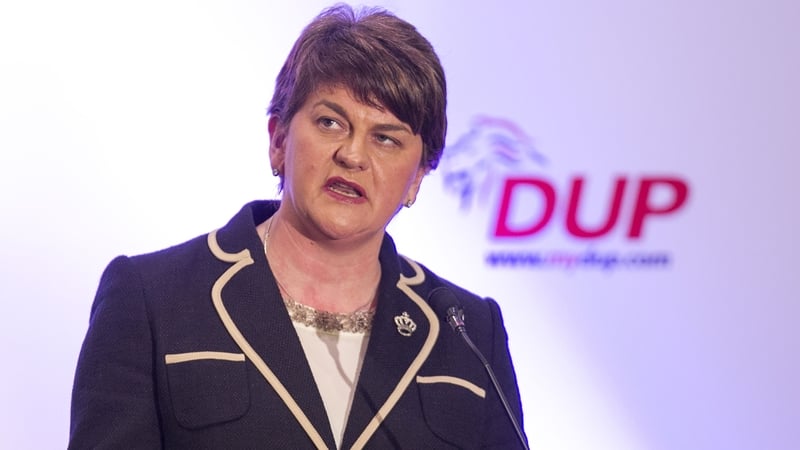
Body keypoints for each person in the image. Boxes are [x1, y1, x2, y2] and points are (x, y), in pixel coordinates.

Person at [69, 4, 527, 449]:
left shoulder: (467, 331)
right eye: (330, 122)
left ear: (417, 178)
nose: (353, 155)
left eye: (386, 138)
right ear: (278, 140)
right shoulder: (152, 299)